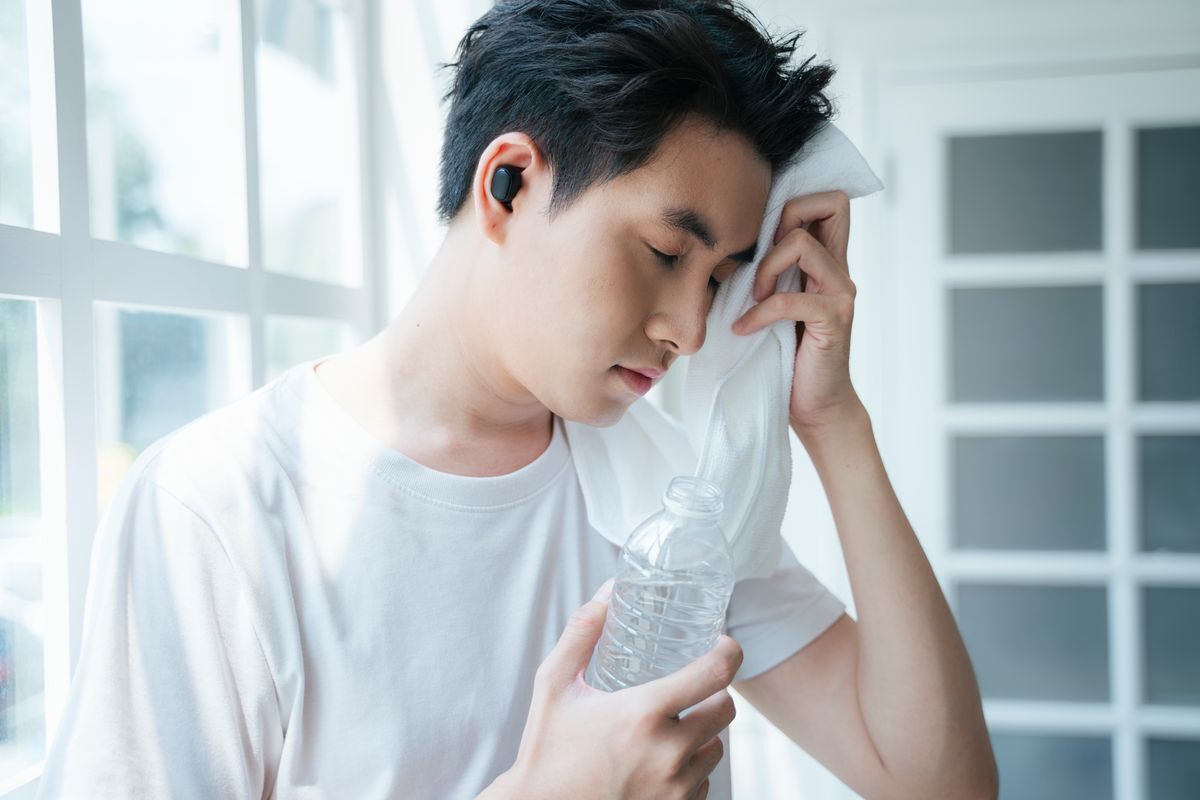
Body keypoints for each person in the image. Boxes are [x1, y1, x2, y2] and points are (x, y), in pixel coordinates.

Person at [37, 1, 999, 798]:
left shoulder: (669, 500)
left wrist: (833, 419)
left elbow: (938, 779)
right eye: (667, 255)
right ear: (507, 183)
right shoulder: (218, 509)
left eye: (718, 279)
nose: (691, 328)